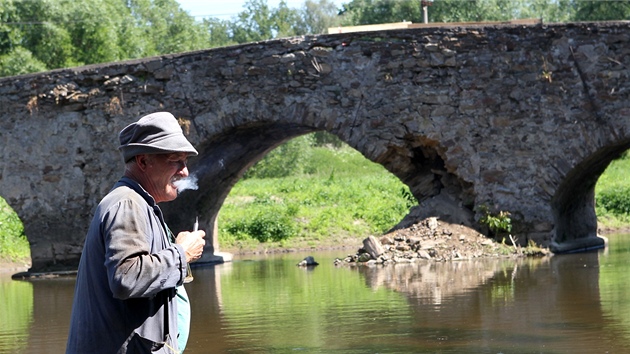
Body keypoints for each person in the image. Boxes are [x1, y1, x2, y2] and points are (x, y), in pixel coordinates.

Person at [66, 112, 206, 354]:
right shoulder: (127, 204)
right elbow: (126, 278)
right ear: (143, 162)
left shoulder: (139, 204)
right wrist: (181, 254)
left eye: (185, 162)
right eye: (176, 161)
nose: (184, 171)